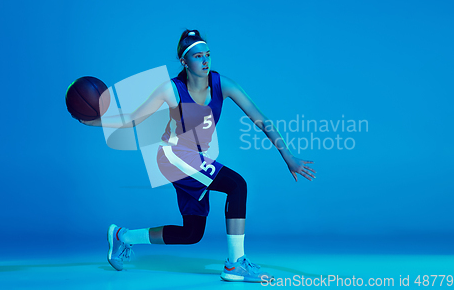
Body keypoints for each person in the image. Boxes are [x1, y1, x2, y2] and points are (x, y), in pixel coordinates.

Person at [80, 29, 316, 282]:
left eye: (208, 55)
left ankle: (122, 236)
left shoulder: (222, 84)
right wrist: (96, 121)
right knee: (237, 185)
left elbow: (261, 119)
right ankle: (235, 265)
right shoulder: (171, 89)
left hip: (194, 158)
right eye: (198, 56)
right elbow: (132, 119)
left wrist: (288, 157)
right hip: (174, 156)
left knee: (192, 233)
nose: (205, 61)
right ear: (184, 61)